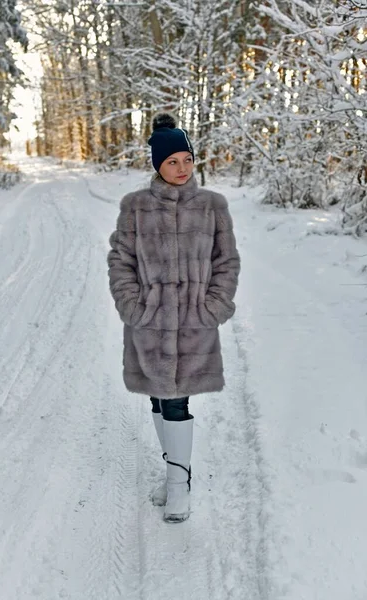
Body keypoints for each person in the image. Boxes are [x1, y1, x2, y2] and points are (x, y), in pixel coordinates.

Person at [107, 113, 241, 523]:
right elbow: (120, 261)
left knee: (177, 401)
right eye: (172, 162)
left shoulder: (213, 206)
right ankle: (173, 473)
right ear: (157, 165)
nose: (181, 169)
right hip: (148, 324)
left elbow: (227, 262)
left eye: (187, 159)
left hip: (194, 324)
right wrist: (133, 307)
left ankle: (179, 484)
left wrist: (214, 307)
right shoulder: (135, 207)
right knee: (158, 395)